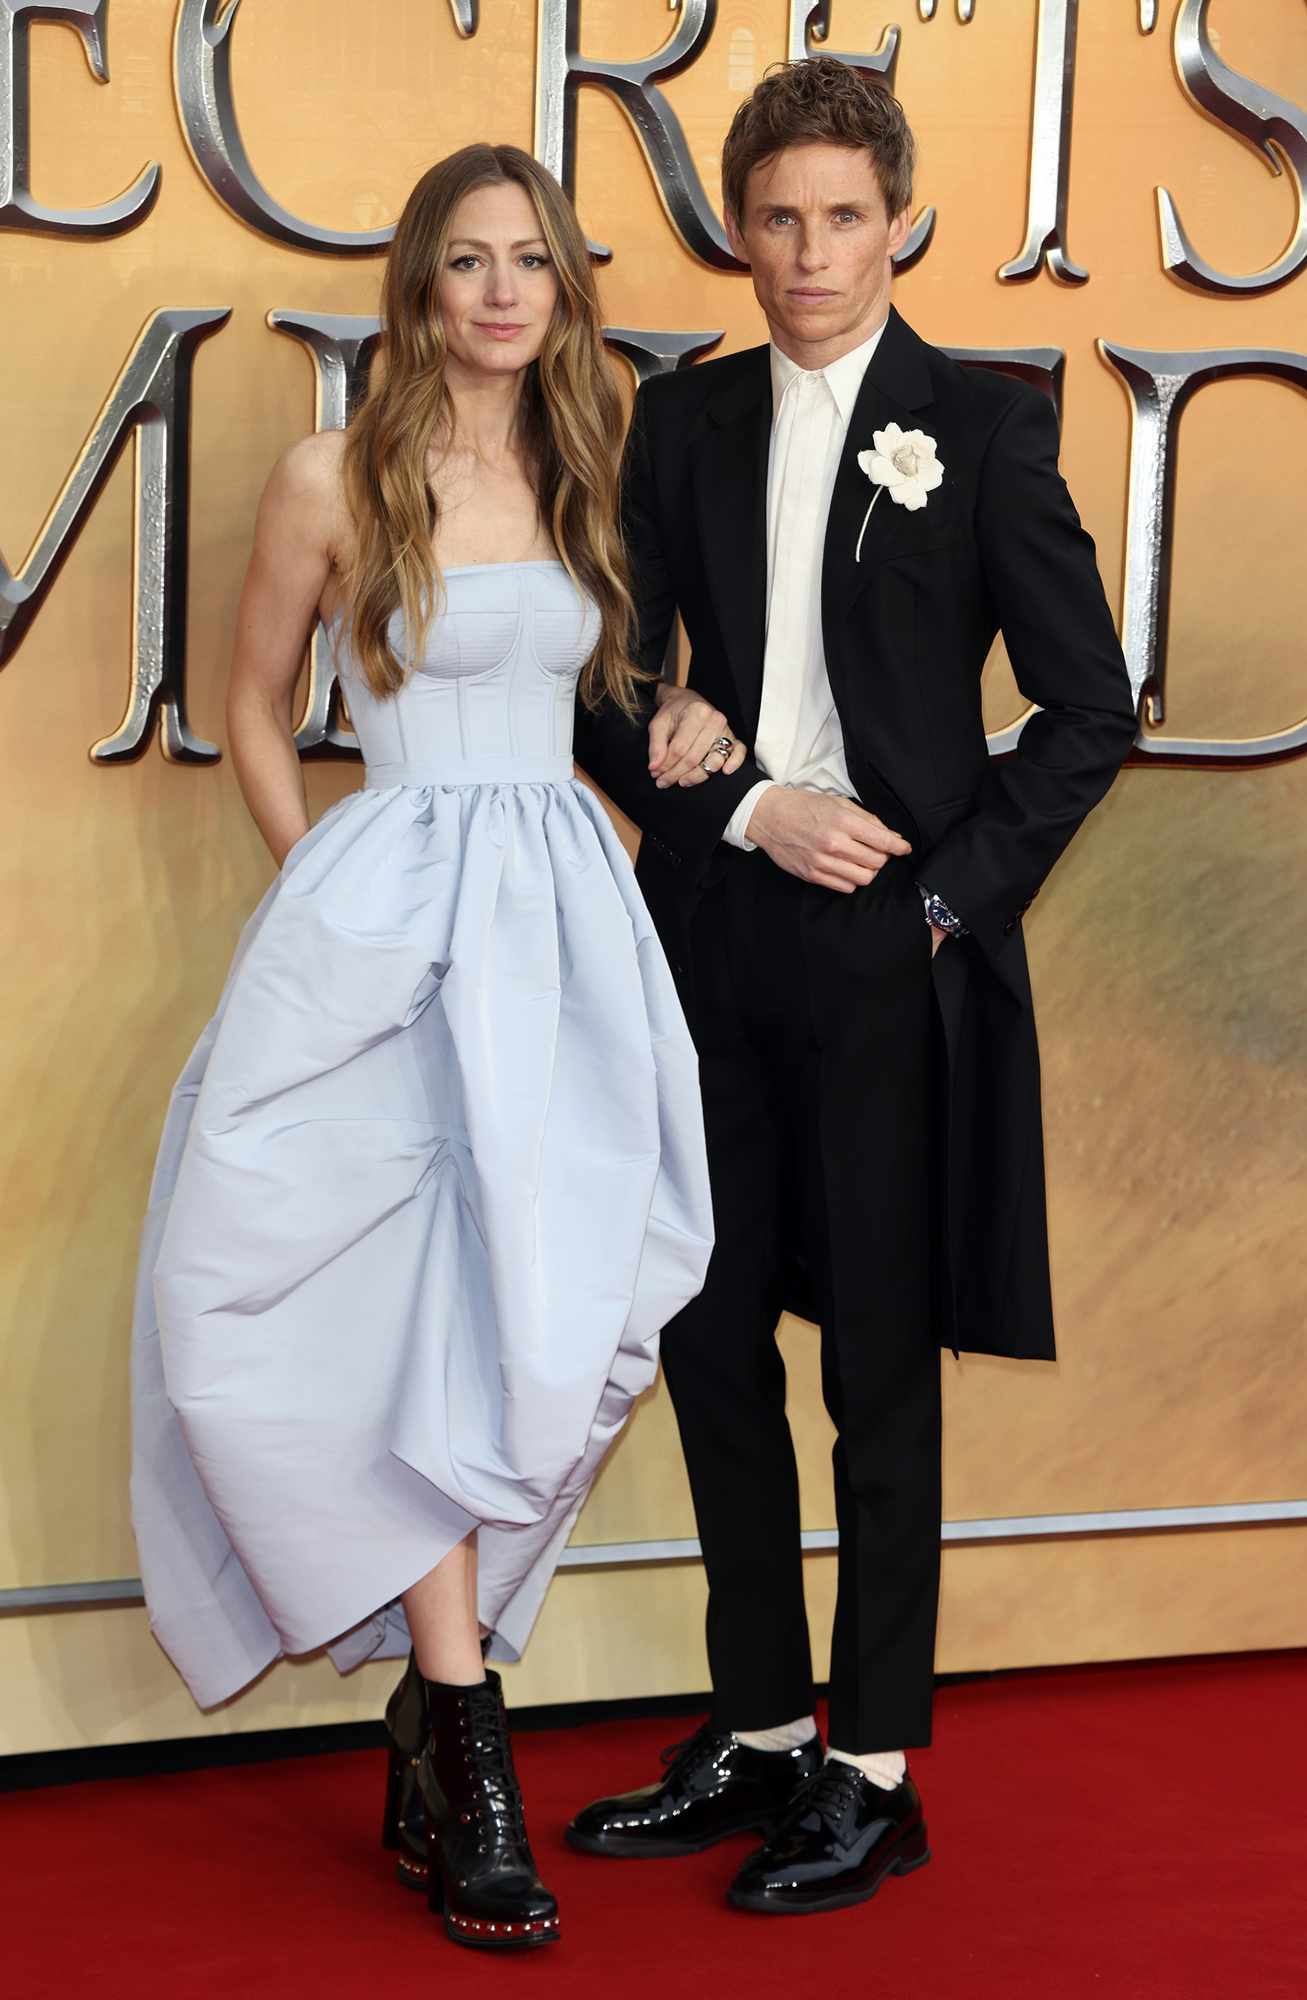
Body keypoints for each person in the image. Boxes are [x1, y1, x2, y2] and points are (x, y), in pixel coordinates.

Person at [129, 141, 743, 1955]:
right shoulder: (334, 471)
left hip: (555, 925)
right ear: (422, 280)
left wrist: (643, 799)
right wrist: (317, 876)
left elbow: (622, 703)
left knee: (523, 1302)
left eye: (530, 262)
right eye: (468, 259)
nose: (499, 291)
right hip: (381, 919)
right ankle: (466, 1740)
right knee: (370, 1297)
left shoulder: (597, 465)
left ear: (562, 288)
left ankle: (437, 1729)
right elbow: (252, 700)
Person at [568, 57, 1138, 1916]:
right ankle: (756, 1733)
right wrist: (728, 791)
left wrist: (943, 907)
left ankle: (875, 1767)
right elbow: (598, 682)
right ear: (736, 230)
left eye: (841, 216)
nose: (807, 253)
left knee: (877, 1374)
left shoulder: (978, 426)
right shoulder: (678, 424)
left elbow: (1087, 704)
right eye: (775, 218)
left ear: (898, 221)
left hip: (894, 953)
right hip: (714, 935)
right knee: (713, 1343)